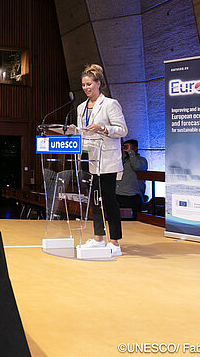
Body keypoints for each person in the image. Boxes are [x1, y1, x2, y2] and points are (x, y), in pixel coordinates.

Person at [74, 64, 128, 256]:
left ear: (98, 83)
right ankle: (98, 238)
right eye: (83, 85)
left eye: (89, 84)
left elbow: (122, 130)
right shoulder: (81, 107)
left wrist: (103, 128)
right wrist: (74, 131)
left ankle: (114, 242)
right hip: (89, 158)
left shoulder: (110, 104)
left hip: (106, 160)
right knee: (94, 200)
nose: (86, 88)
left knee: (108, 199)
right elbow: (83, 131)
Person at [116, 139, 148, 218]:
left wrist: (131, 152)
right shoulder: (123, 160)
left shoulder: (142, 160)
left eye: (128, 147)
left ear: (135, 148)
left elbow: (137, 167)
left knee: (133, 219)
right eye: (124, 147)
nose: (126, 149)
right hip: (119, 194)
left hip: (132, 195)